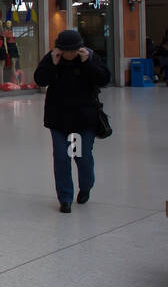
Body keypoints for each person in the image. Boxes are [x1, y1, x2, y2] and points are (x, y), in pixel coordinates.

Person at [34, 28, 111, 213]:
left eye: (72, 51)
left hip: (83, 120)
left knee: (81, 156)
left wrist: (88, 64)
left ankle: (85, 187)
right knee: (61, 157)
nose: (68, 55)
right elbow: (40, 80)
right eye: (65, 50)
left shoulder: (90, 58)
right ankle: (65, 198)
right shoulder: (53, 58)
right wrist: (52, 63)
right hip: (59, 120)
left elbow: (103, 79)